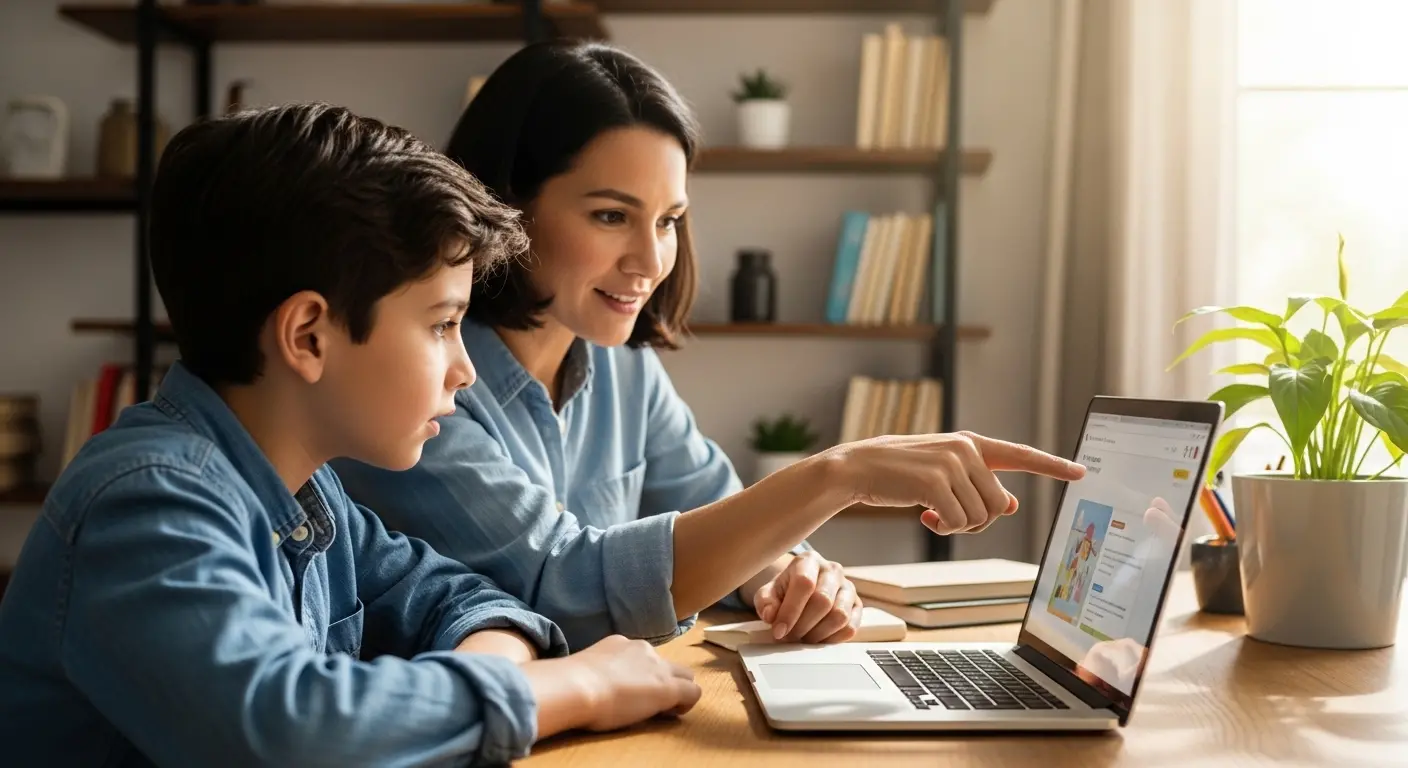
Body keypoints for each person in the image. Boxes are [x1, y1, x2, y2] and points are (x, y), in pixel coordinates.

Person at [0, 103, 700, 767]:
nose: (463, 369)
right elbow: (292, 730)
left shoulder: (312, 495)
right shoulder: (147, 505)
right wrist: (576, 688)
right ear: (308, 336)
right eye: (441, 324)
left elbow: (463, 597)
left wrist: (490, 659)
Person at [334, 41, 1086, 653]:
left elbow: (721, 516)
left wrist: (786, 577)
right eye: (609, 215)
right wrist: (840, 474)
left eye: (668, 221)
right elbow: (563, 589)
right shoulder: (417, 378)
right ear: (506, 205)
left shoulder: (627, 369)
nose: (649, 261)